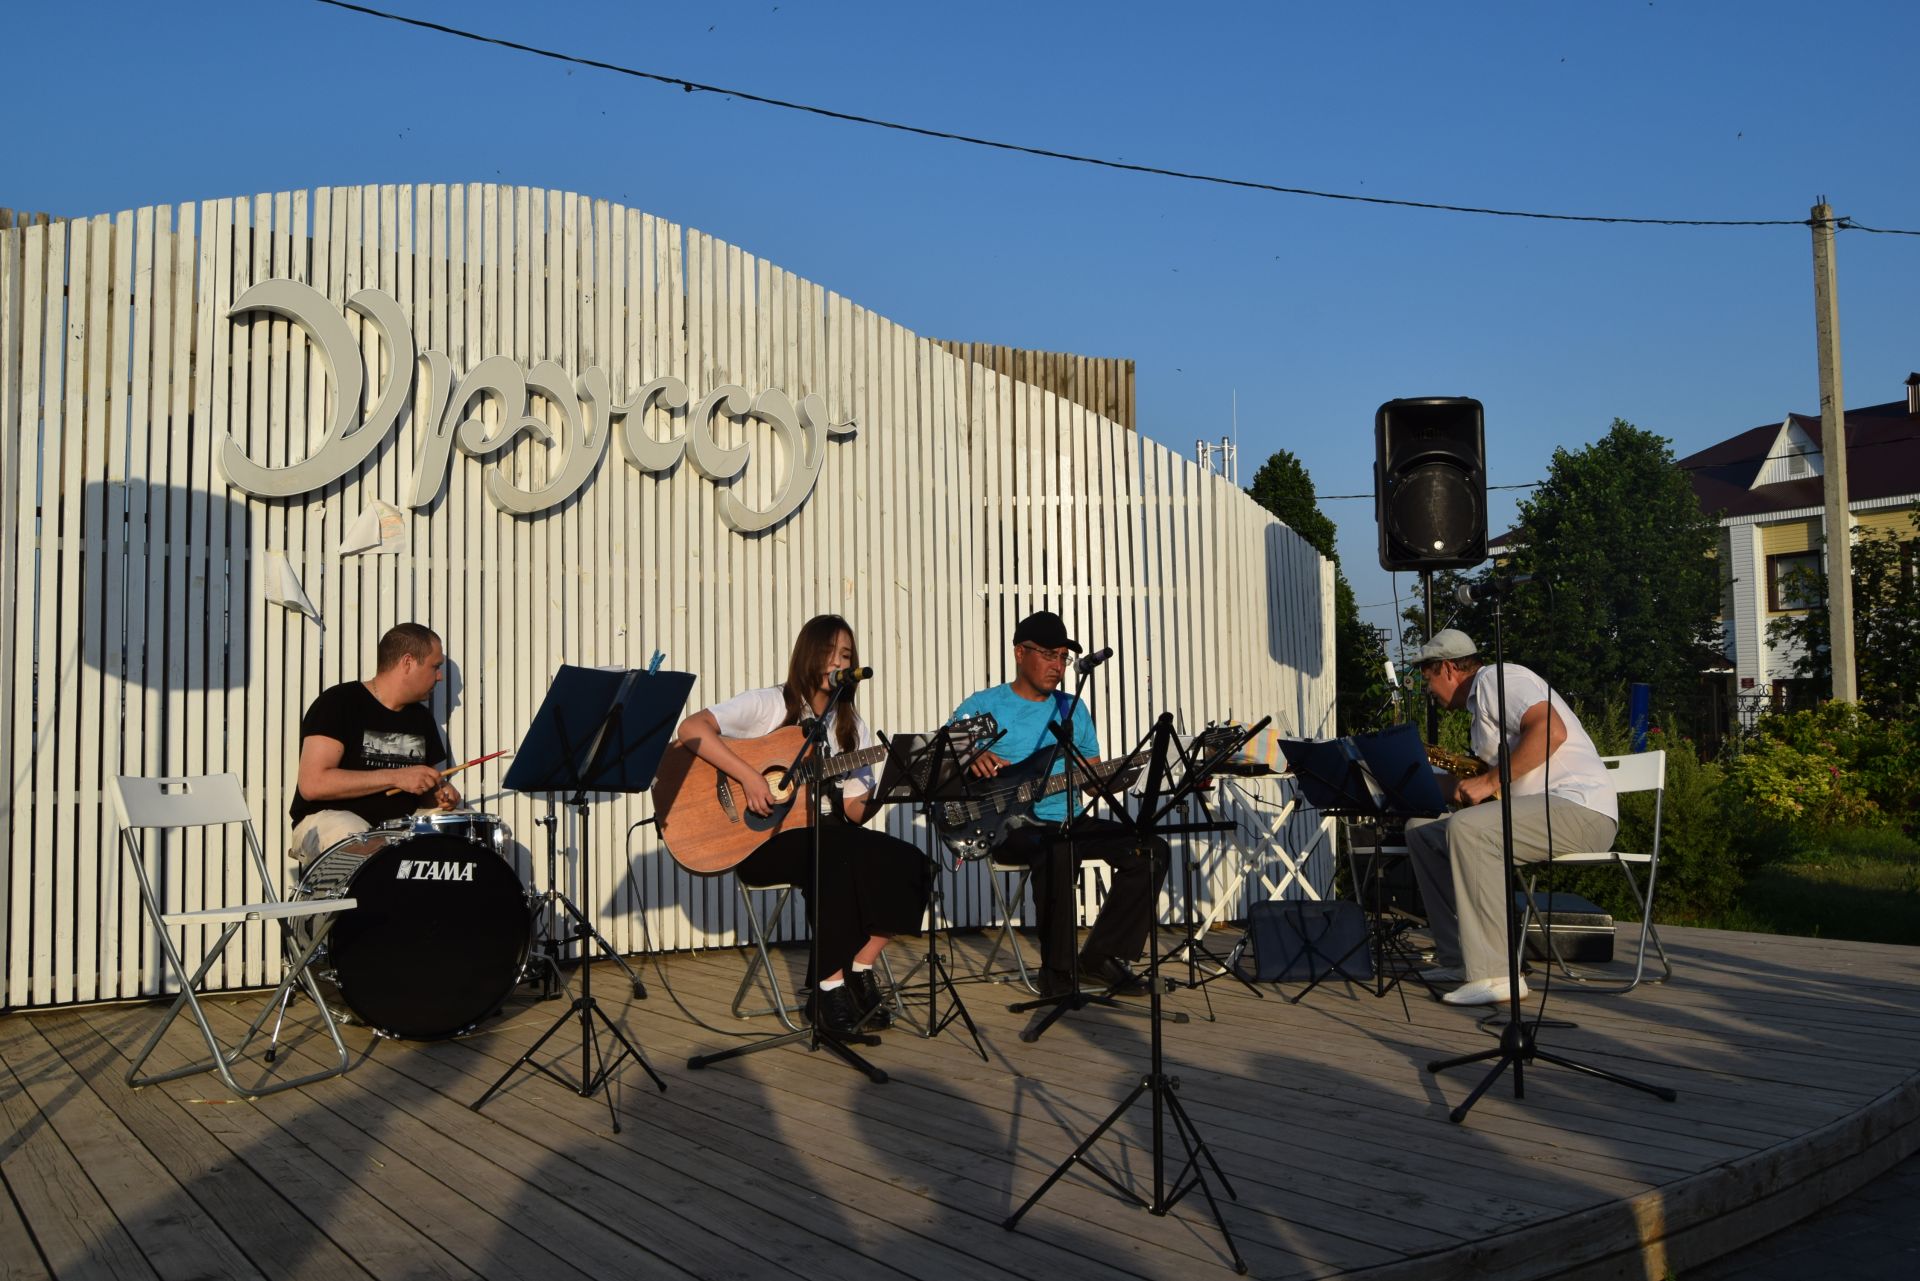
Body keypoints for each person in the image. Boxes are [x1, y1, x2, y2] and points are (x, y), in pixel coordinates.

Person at [674, 614, 932, 1037]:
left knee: (911, 862)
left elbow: (851, 813)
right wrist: (748, 775)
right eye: (830, 652)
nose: (838, 661)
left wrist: (890, 786)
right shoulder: (770, 704)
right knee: (832, 857)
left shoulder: (852, 727)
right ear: (809, 655)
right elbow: (691, 729)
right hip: (759, 841)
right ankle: (828, 990)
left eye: (846, 655)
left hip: (827, 835)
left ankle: (860, 968)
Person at [951, 610, 1167, 998]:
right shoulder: (985, 704)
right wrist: (968, 758)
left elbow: (1093, 783)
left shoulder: (1073, 708)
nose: (1058, 666)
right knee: (1058, 851)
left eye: (1063, 658)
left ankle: (1100, 958)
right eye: (1050, 655)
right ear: (1020, 653)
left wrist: (1118, 777)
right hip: (1010, 827)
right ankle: (1058, 973)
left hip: (1068, 821)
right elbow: (939, 760)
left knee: (1149, 850)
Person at [1403, 629, 1618, 1006]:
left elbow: (1551, 730)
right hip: (1542, 811)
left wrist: (1487, 781)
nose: (1429, 691)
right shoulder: (1479, 710)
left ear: (1450, 669)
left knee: (1468, 830)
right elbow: (1470, 788)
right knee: (1422, 832)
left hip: (1580, 808)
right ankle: (1460, 961)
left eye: (1428, 679)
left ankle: (1497, 974)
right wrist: (1400, 776)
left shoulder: (1498, 679)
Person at [289, 622, 461, 866]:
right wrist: (396, 777)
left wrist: (441, 795)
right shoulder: (339, 703)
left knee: (467, 838)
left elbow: (426, 794)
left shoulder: (420, 719)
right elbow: (313, 784)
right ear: (408, 662)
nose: (440, 676)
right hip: (329, 820)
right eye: (436, 666)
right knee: (360, 838)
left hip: (400, 826)